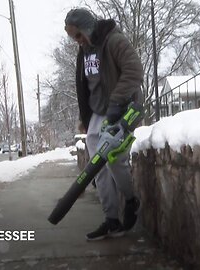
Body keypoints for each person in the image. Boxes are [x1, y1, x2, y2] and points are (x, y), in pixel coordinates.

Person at [64, 8, 143, 241]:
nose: (77, 42)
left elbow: (135, 71)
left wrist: (117, 102)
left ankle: (131, 200)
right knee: (97, 165)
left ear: (87, 28)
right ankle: (111, 220)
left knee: (114, 158)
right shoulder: (84, 51)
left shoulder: (114, 41)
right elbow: (85, 86)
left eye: (78, 35)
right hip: (98, 113)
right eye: (73, 38)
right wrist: (85, 118)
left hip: (122, 107)